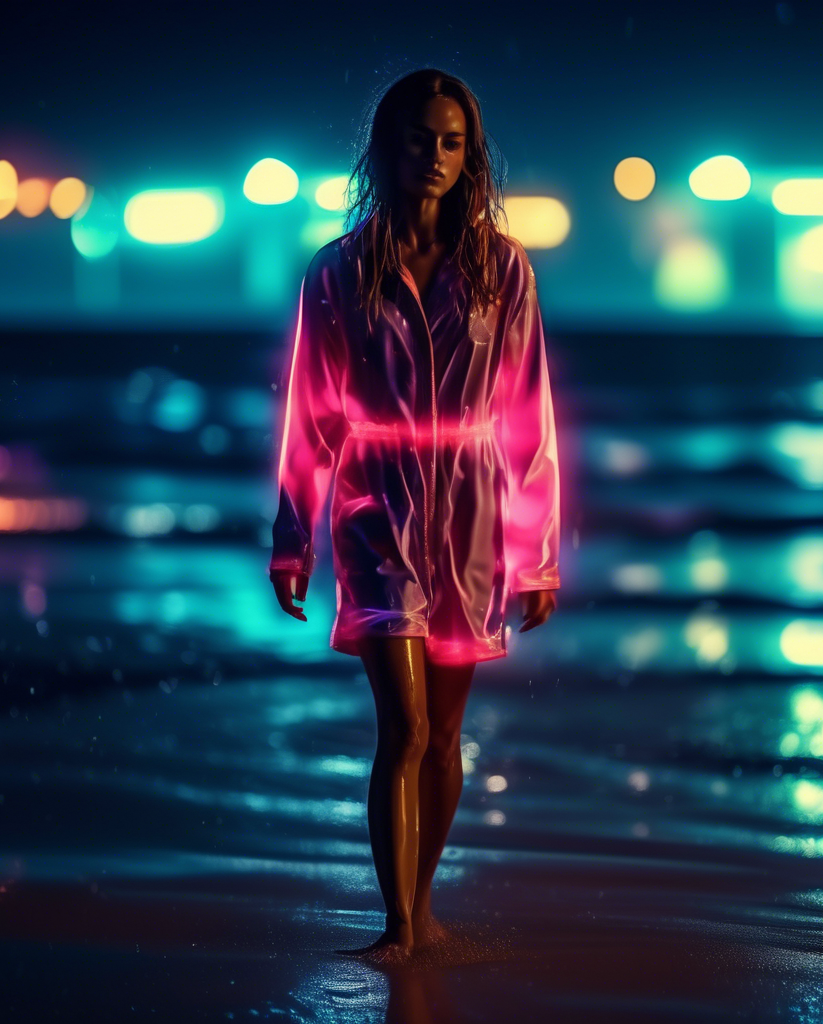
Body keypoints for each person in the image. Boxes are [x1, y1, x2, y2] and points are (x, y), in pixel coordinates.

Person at [268, 68, 561, 965]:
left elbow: (528, 415)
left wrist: (537, 555)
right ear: (386, 148)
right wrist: (294, 539)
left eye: (451, 140)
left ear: (469, 155)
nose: (432, 156)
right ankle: (396, 927)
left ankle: (421, 900)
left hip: (471, 504)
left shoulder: (501, 269)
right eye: (416, 138)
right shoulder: (339, 271)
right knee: (404, 727)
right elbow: (309, 415)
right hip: (375, 500)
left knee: (444, 737)